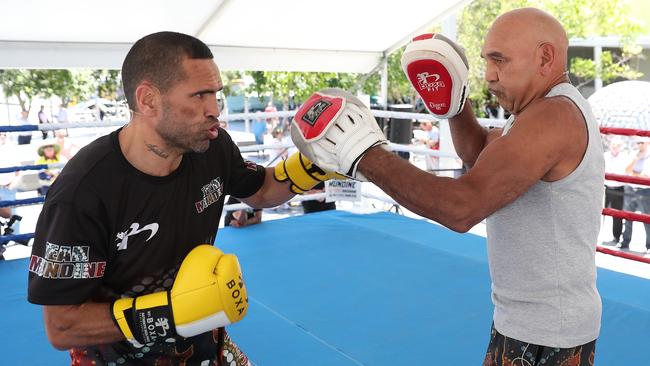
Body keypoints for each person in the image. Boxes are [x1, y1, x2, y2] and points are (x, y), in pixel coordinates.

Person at [291, 8, 603, 365]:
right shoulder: (533, 114)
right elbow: (482, 154)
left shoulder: (554, 116)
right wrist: (456, 106)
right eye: (486, 62)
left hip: (548, 330)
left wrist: (365, 155)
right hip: (529, 322)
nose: (488, 75)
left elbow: (462, 207)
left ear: (545, 57)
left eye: (499, 61)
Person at [27, 31, 331, 365]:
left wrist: (319, 163)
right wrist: (172, 311)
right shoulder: (82, 192)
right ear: (148, 100)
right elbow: (62, 326)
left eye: (215, 94)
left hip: (204, 345)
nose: (215, 110)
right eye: (200, 95)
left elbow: (260, 191)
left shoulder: (212, 147)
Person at [618, 137, 650, 251]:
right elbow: (627, 170)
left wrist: (634, 173)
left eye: (641, 142)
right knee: (627, 217)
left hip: (645, 191)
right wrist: (636, 159)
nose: (639, 145)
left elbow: (646, 176)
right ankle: (625, 242)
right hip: (630, 189)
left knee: (646, 220)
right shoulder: (633, 154)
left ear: (647, 143)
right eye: (638, 142)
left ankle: (649, 245)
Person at [602, 138, 629, 246]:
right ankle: (597, 237)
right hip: (606, 188)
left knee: (617, 215)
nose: (614, 147)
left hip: (619, 189)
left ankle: (616, 237)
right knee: (600, 213)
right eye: (613, 144)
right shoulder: (605, 155)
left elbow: (625, 172)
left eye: (617, 145)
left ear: (621, 147)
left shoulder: (624, 157)